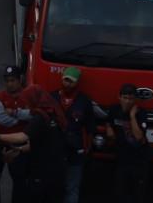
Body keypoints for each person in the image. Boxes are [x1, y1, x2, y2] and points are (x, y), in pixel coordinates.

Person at [50, 67, 95, 203]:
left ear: (77, 82)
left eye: (71, 81)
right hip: (55, 150)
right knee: (53, 186)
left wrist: (88, 147)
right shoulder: (52, 97)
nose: (68, 84)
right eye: (66, 80)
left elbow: (90, 127)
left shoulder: (84, 101)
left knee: (72, 187)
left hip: (75, 151)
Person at [103, 83, 149, 203]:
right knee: (120, 192)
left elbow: (138, 136)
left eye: (131, 98)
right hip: (122, 158)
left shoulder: (141, 113)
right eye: (124, 98)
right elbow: (108, 120)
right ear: (119, 97)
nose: (127, 101)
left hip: (138, 159)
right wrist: (109, 127)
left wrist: (132, 116)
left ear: (135, 99)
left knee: (137, 193)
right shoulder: (114, 110)